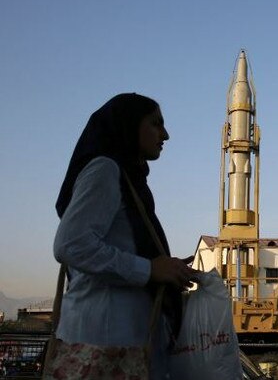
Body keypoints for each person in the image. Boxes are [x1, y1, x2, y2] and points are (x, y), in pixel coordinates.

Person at [45, 93, 198, 380]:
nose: (165, 134)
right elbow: (70, 244)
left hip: (122, 346)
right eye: (155, 123)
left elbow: (118, 243)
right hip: (104, 345)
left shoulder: (130, 180)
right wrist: (149, 269)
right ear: (128, 125)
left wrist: (163, 266)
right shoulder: (105, 170)